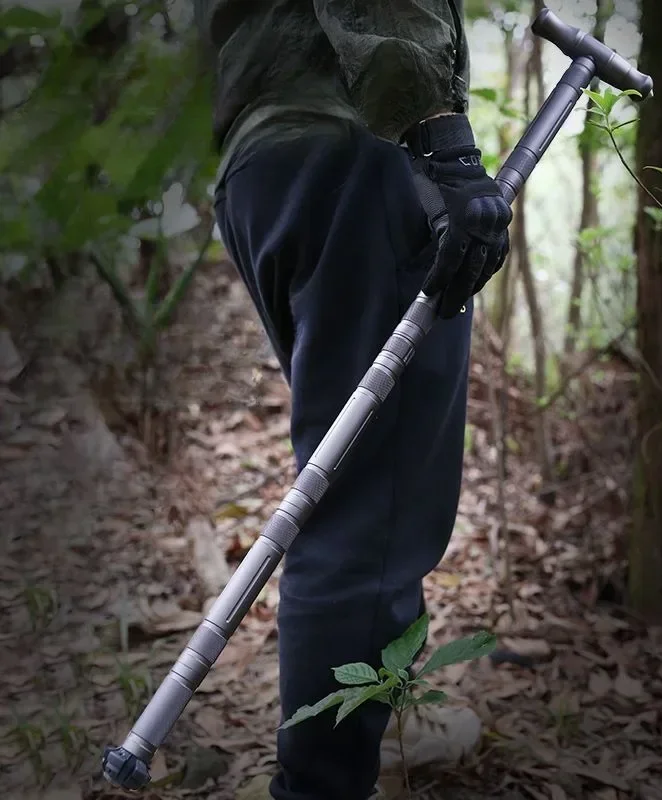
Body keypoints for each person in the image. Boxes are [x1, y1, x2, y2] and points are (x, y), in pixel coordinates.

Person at [194, 2, 513, 798]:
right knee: (372, 512)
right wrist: (442, 136)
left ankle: (381, 717)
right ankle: (323, 782)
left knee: (362, 481)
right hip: (355, 143)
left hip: (264, 161)